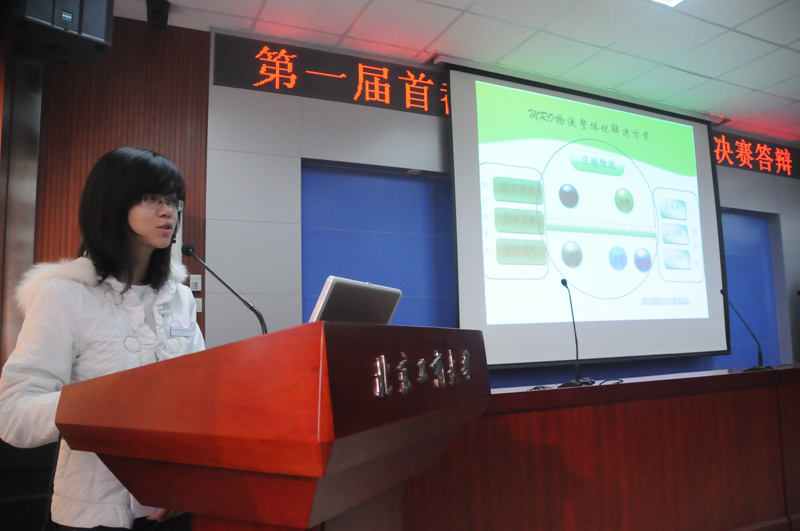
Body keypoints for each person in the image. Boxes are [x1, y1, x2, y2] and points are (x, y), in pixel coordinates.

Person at [0, 147, 205, 530]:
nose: (168, 212)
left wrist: (188, 480)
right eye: (151, 198)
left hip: (172, 502)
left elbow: (198, 400)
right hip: (94, 514)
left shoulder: (179, 297)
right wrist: (104, 399)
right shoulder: (65, 294)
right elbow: (14, 414)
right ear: (112, 203)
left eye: (173, 201)